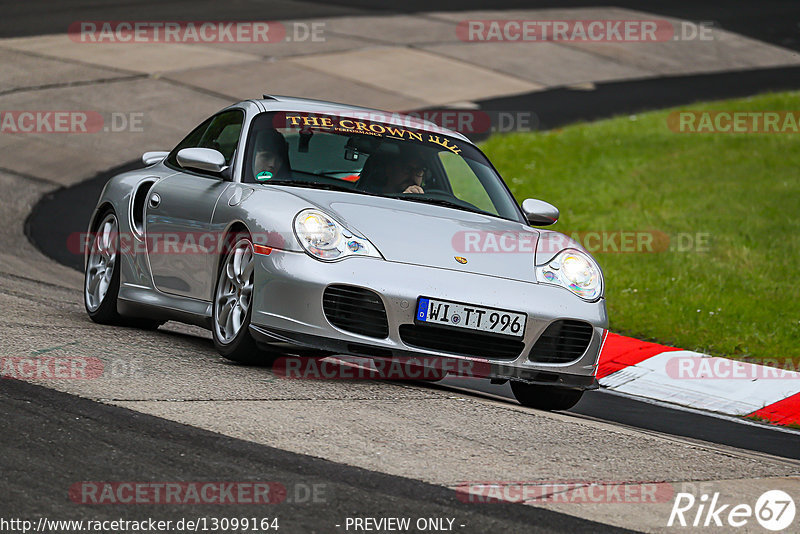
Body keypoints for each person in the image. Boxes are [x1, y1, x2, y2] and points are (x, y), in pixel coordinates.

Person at [358, 148, 427, 194]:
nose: (413, 175)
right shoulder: (368, 195)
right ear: (389, 170)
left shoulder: (430, 201)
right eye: (407, 168)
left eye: (418, 170)